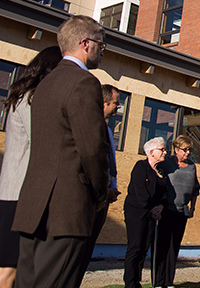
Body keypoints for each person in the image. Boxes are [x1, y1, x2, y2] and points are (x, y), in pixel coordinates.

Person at [12, 15, 109, 288]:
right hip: (67, 210)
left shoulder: (44, 84)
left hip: (34, 206)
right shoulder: (84, 82)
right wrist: (101, 192)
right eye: (102, 44)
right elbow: (92, 148)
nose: (103, 51)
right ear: (85, 43)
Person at [0, 46, 62, 288]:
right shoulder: (33, 99)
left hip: (11, 193)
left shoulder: (20, 96)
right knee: (8, 268)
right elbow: (42, 141)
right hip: (21, 195)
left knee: (11, 267)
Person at [79, 84, 123, 277]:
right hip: (92, 198)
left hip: (104, 198)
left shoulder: (108, 131)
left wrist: (112, 188)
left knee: (87, 249)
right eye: (116, 103)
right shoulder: (93, 128)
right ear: (104, 103)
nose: (119, 107)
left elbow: (109, 163)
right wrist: (103, 191)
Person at [155, 135, 200, 288]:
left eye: (189, 150)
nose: (187, 153)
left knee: (174, 247)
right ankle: (158, 281)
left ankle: (169, 281)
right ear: (176, 149)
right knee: (162, 246)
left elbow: (195, 189)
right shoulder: (167, 163)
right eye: (184, 150)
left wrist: (192, 207)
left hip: (182, 212)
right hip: (166, 210)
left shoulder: (192, 167)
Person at [123, 136, 168, 288]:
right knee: (135, 247)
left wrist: (160, 207)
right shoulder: (141, 167)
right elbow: (140, 191)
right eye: (162, 149)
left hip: (152, 215)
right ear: (151, 152)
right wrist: (151, 208)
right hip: (137, 212)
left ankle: (137, 282)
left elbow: (165, 195)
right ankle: (130, 283)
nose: (165, 152)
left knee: (144, 249)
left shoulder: (161, 171)